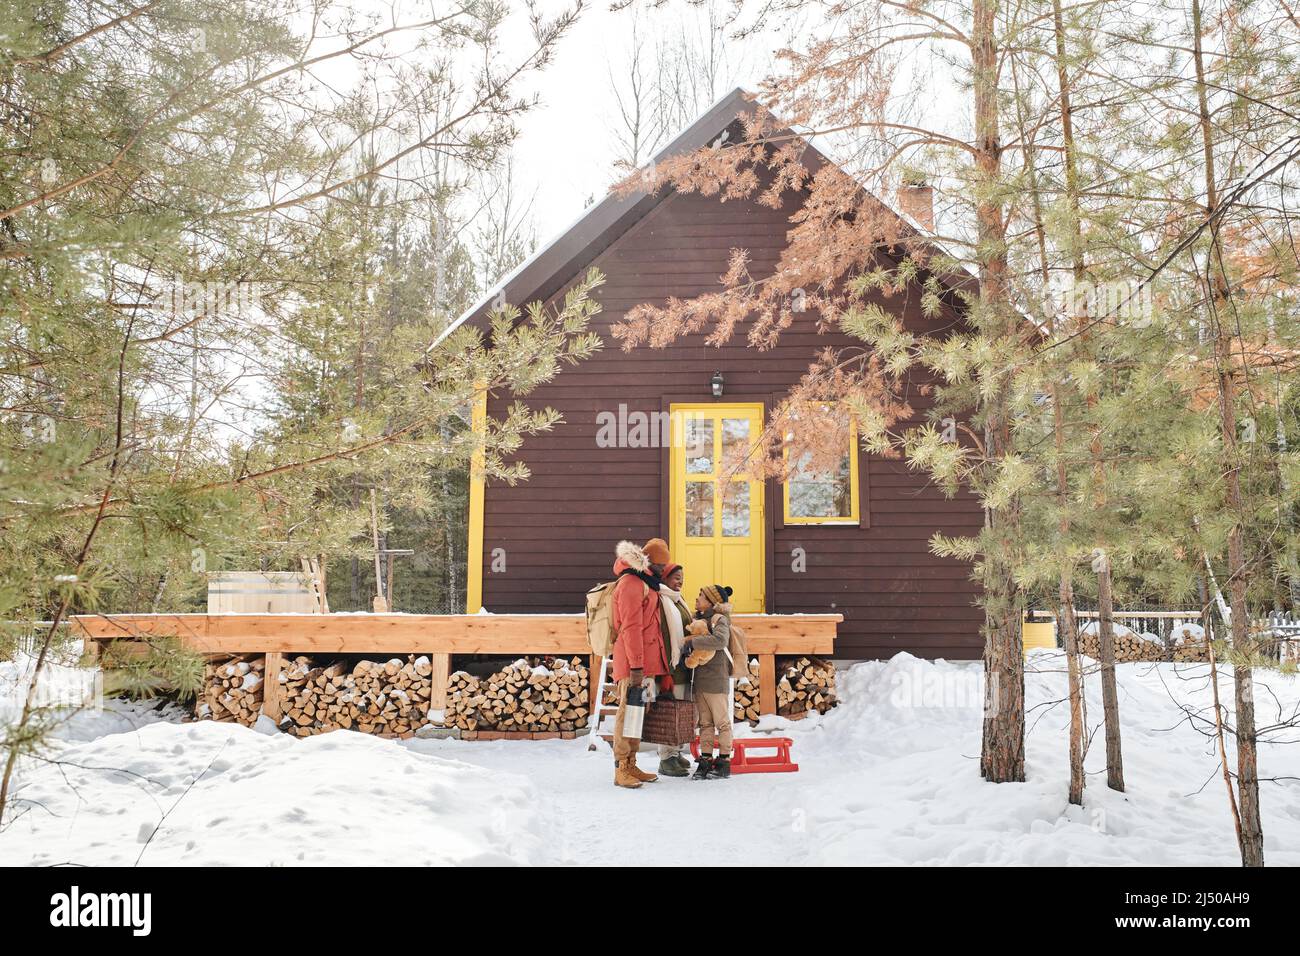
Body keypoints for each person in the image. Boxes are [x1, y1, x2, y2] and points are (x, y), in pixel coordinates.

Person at [610, 538, 671, 789]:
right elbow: (631, 628)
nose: (663, 570)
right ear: (651, 562)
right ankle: (620, 767)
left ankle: (631, 762)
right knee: (627, 713)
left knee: (638, 715)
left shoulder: (647, 582)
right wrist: (636, 666)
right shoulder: (631, 583)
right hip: (634, 664)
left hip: (646, 664)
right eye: (661, 565)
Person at [683, 584, 734, 780]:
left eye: (701, 596)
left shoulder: (719, 619)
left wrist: (692, 642)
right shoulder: (699, 620)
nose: (697, 599)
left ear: (712, 602)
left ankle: (723, 761)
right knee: (704, 723)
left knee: (722, 723)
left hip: (716, 680)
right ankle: (705, 760)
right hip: (701, 680)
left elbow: (720, 641)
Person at [653, 562, 693, 777]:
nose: (680, 581)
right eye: (676, 577)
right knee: (669, 713)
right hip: (669, 667)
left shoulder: (678, 601)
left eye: (682, 577)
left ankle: (675, 752)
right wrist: (665, 670)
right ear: (665, 578)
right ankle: (665, 758)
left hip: (683, 666)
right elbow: (663, 639)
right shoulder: (661, 601)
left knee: (681, 712)